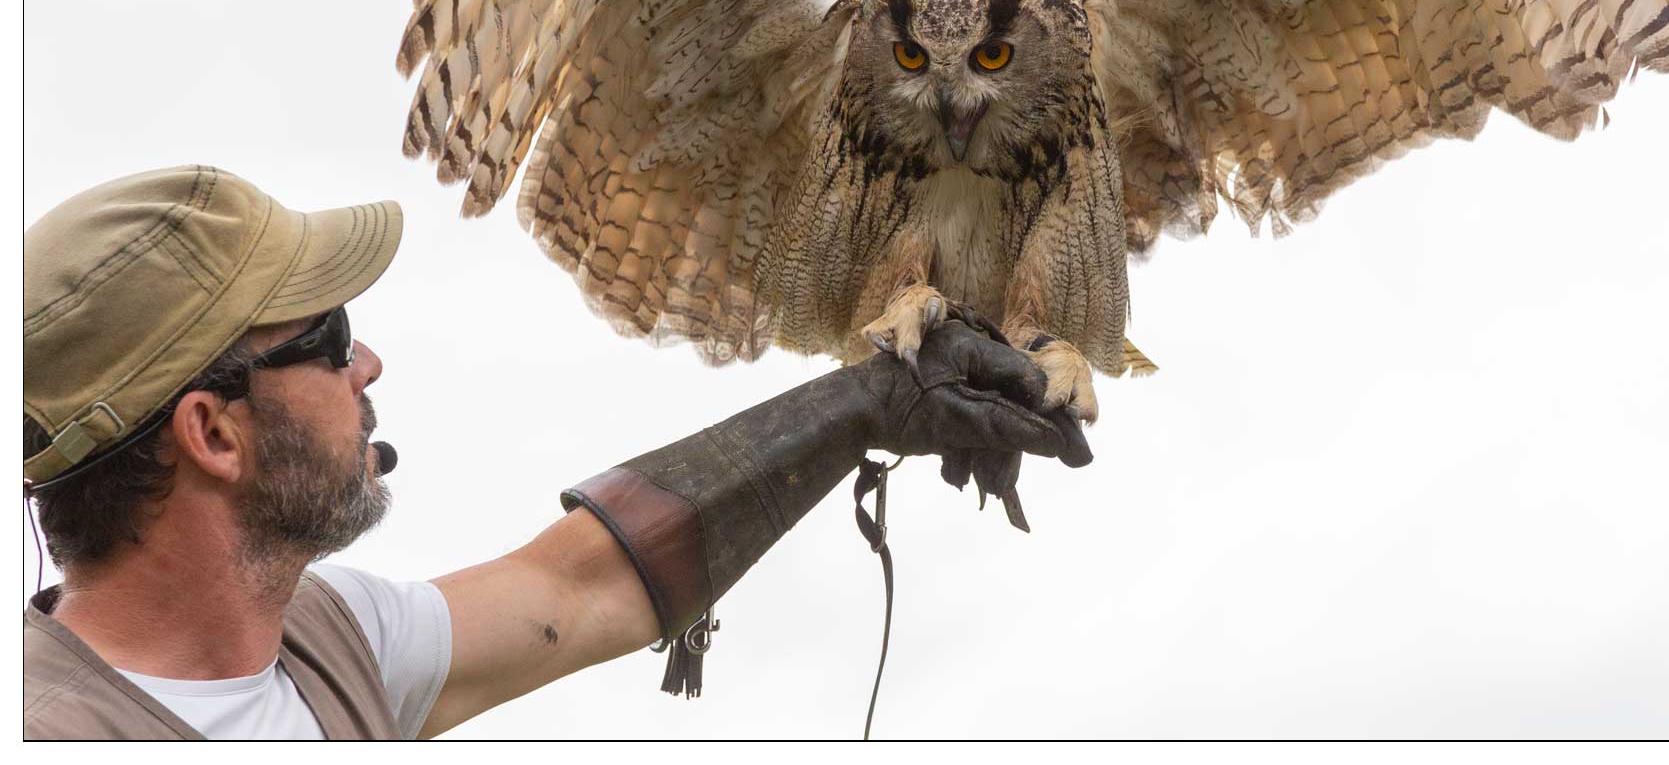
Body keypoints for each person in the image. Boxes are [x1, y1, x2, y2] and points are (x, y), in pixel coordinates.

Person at [23, 166, 1088, 740]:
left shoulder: (319, 639)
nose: (371, 367)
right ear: (211, 433)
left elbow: (574, 585)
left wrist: (860, 406)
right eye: (328, 342)